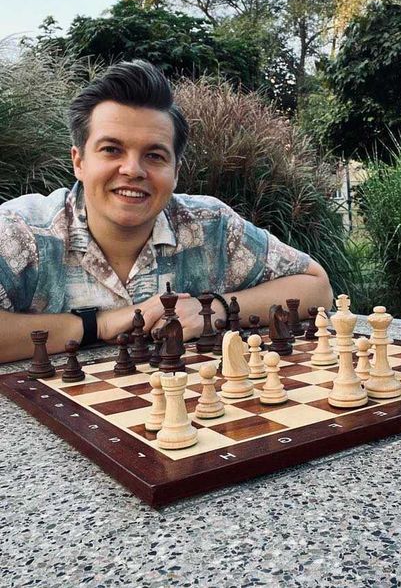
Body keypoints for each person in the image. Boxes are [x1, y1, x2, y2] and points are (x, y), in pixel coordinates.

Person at [0, 60, 333, 363]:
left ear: (175, 172)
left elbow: (317, 288)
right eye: (112, 149)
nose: (133, 170)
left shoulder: (210, 226)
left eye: (154, 155)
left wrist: (211, 309)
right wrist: (97, 325)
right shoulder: (22, 231)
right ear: (79, 161)